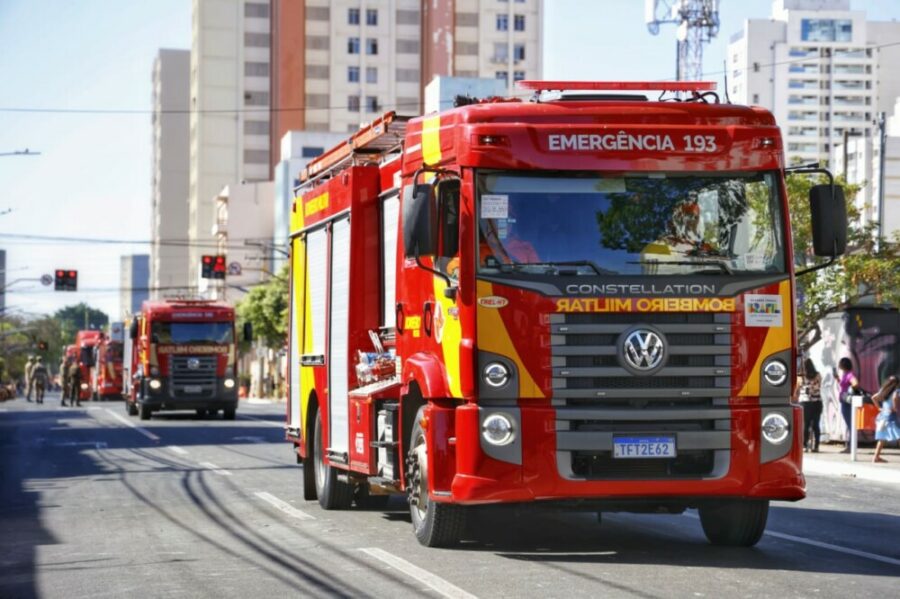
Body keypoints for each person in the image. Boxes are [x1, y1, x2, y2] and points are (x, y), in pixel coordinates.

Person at [793, 358, 823, 452]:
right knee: (816, 425)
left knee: (805, 424)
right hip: (817, 402)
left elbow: (796, 391)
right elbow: (819, 386)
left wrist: (794, 397)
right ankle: (816, 446)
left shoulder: (800, 377)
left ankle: (804, 445)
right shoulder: (818, 375)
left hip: (805, 403)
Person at [872, 375, 900, 463]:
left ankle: (876, 457)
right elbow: (895, 398)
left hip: (882, 416)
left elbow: (873, 397)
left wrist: (879, 408)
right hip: (891, 417)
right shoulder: (896, 391)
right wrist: (895, 408)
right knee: (899, 435)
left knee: (882, 438)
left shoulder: (883, 390)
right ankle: (876, 457)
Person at [836, 357, 860, 453]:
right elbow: (844, 385)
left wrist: (849, 391)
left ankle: (851, 446)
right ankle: (850, 446)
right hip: (844, 401)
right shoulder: (845, 374)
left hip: (847, 402)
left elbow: (855, 383)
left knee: (850, 424)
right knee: (849, 424)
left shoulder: (849, 374)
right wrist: (838, 379)